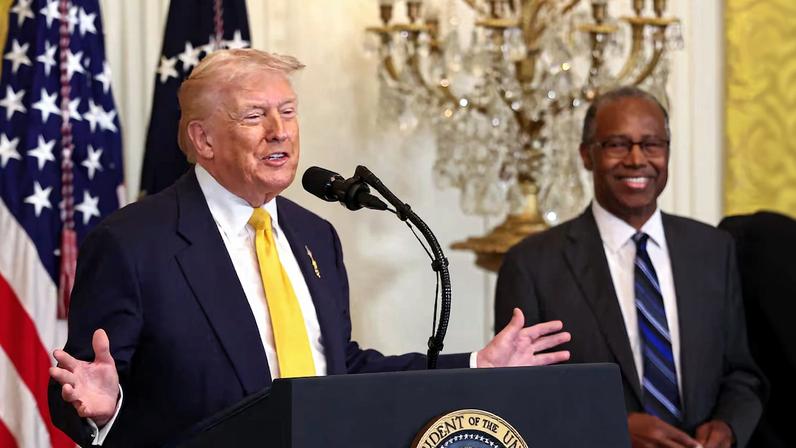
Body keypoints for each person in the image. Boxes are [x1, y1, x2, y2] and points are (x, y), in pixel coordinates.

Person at [48, 48, 572, 447]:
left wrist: (478, 365)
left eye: (289, 112)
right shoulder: (132, 243)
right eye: (254, 116)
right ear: (204, 141)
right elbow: (78, 387)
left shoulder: (314, 235)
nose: (280, 132)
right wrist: (102, 407)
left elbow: (341, 370)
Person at [494, 86, 766, 448]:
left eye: (652, 144)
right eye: (617, 145)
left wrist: (727, 426)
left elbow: (742, 375)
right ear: (587, 156)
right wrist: (611, 426)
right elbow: (517, 396)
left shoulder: (714, 250)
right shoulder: (532, 264)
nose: (637, 159)